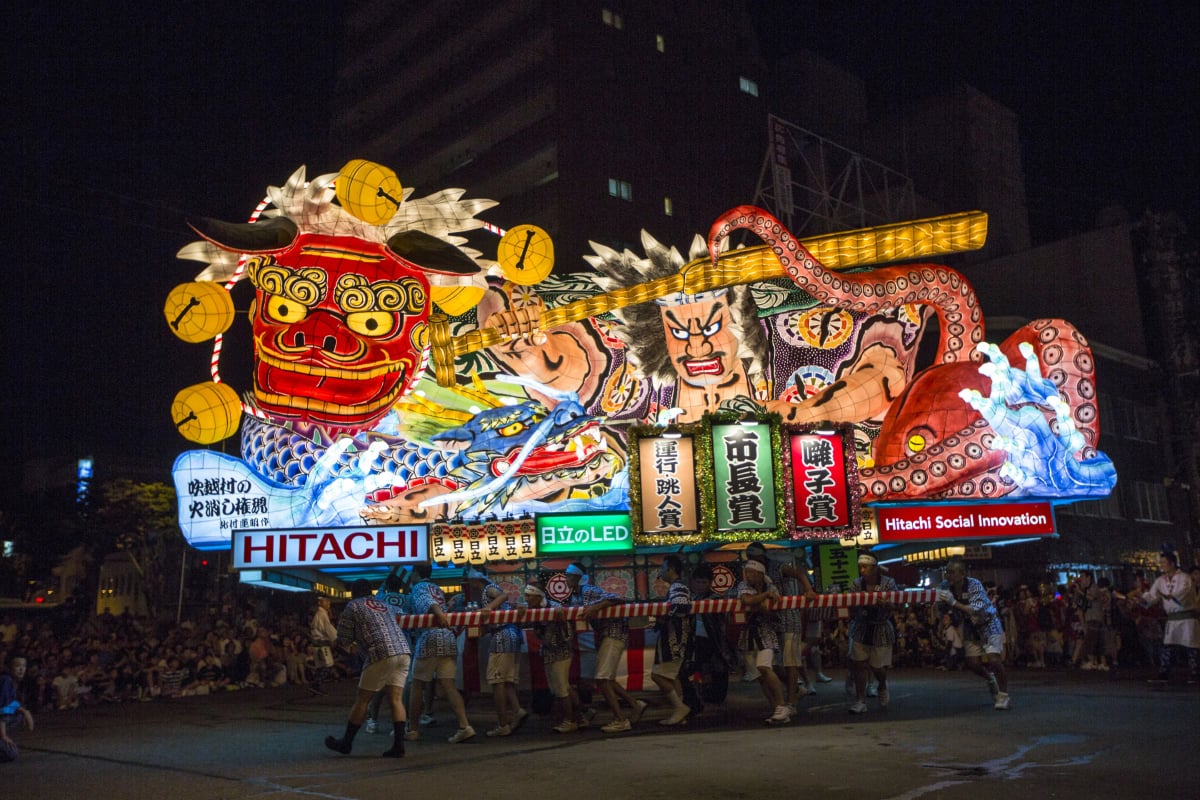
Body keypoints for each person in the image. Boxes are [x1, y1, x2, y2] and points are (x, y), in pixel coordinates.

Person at [324, 579, 412, 758]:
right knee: (395, 699)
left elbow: (344, 639)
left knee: (363, 699)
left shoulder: (353, 606)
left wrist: (337, 643)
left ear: (354, 592)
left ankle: (346, 743)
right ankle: (398, 746)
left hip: (380, 652)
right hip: (403, 650)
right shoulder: (383, 604)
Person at [566, 562, 647, 733]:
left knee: (602, 679)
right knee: (607, 679)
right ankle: (635, 704)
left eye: (570, 575)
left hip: (613, 633)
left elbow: (617, 598)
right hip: (607, 635)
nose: (566, 578)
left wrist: (595, 607)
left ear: (579, 577)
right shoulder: (577, 595)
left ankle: (620, 719)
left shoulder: (588, 590)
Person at [406, 562, 475, 743]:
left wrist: (439, 616)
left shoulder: (419, 587)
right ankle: (464, 725)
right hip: (448, 638)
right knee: (449, 686)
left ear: (415, 573)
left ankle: (413, 729)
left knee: (417, 685)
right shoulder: (436, 588)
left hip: (430, 637)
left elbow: (429, 605)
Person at [745, 541, 817, 714]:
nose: (752, 560)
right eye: (749, 558)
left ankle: (791, 702)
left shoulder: (777, 567)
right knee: (774, 664)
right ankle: (794, 689)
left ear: (762, 555)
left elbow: (799, 572)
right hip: (770, 621)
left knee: (790, 661)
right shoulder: (750, 573)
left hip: (789, 617)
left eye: (754, 556)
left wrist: (808, 590)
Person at [935, 556, 1011, 710]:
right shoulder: (945, 586)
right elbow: (941, 607)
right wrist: (940, 604)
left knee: (994, 660)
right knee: (973, 664)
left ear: (962, 574)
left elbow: (975, 609)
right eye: (946, 572)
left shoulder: (974, 584)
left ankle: (1003, 695)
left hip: (988, 623)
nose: (948, 575)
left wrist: (954, 602)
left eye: (952, 572)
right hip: (970, 626)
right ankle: (990, 679)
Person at [469, 567, 528, 737]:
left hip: (502, 636)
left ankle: (503, 724)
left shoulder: (488, 588)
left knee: (497, 682)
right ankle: (517, 711)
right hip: (510, 634)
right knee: (506, 681)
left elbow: (503, 595)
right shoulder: (485, 592)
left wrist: (488, 608)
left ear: (475, 580)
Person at [735, 558, 790, 724]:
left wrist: (765, 600)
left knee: (764, 667)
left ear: (760, 575)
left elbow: (775, 607)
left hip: (766, 632)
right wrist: (764, 597)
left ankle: (782, 705)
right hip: (749, 635)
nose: (748, 575)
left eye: (752, 573)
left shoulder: (771, 586)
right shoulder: (744, 586)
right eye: (747, 572)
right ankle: (777, 710)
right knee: (760, 676)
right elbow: (746, 600)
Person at [1135, 545, 1199, 684]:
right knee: (1168, 645)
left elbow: (1183, 594)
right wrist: (1141, 600)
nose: (1161, 565)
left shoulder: (1184, 578)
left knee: (1191, 645)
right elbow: (1152, 598)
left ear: (1172, 563)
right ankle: (1164, 672)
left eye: (1163, 563)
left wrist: (1168, 596)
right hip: (1172, 618)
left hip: (1186, 616)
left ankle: (1195, 672)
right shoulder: (1160, 581)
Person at [521, 583, 580, 732]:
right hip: (549, 651)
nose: (526, 598)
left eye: (529, 595)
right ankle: (580, 716)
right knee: (562, 687)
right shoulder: (533, 609)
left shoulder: (554, 607)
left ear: (538, 596)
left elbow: (567, 633)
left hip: (560, 651)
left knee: (561, 689)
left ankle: (570, 721)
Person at [679, 562, 736, 714]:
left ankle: (710, 696)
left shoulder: (716, 599)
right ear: (692, 582)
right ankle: (697, 697)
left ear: (710, 583)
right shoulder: (689, 598)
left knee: (717, 670)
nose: (700, 585)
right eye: (698, 582)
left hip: (713, 640)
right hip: (696, 639)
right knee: (692, 670)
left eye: (704, 582)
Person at [845, 553, 897, 714]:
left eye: (865, 567)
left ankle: (882, 685)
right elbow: (850, 606)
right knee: (860, 664)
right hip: (860, 628)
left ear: (875, 568)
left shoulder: (888, 583)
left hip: (881, 628)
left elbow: (898, 605)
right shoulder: (856, 584)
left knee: (877, 667)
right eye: (860, 566)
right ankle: (860, 701)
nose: (862, 570)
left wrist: (887, 605)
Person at [650, 555, 692, 726]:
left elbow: (681, 606)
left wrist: (664, 619)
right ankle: (680, 713)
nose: (660, 572)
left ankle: (679, 707)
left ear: (671, 569)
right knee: (673, 676)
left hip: (673, 638)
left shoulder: (678, 586)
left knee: (657, 675)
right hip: (679, 638)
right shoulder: (677, 586)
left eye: (663, 567)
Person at [1, 655, 34, 762]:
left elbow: (11, 702)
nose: (21, 669)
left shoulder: (13, 682)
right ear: (9, 667)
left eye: (24, 666)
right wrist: (4, 735)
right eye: (17, 666)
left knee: (18, 715)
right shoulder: (6, 680)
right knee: (11, 753)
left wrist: (24, 711)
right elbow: (2, 709)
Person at [309, 596, 339, 695]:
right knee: (328, 665)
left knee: (321, 666)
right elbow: (327, 628)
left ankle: (315, 685)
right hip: (322, 644)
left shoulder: (320, 614)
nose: (328, 603)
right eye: (326, 601)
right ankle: (315, 684)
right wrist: (336, 637)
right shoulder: (322, 614)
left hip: (317, 643)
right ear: (320, 602)